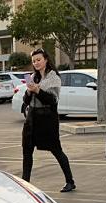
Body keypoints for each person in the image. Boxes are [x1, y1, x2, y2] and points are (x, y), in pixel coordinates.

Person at [21, 48, 76, 192]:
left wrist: (38, 90)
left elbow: (52, 100)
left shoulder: (53, 77)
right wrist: (29, 90)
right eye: (34, 61)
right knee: (27, 152)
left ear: (46, 59)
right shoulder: (33, 77)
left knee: (56, 150)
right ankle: (25, 184)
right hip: (31, 119)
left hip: (47, 119)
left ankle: (70, 181)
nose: (36, 63)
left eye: (39, 60)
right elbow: (26, 101)